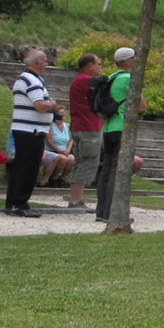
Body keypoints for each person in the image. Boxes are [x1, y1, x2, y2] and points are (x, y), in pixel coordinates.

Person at [95, 47, 146, 223]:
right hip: (122, 127)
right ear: (127, 61)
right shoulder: (128, 78)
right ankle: (112, 212)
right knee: (117, 170)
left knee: (107, 170)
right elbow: (141, 106)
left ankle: (101, 211)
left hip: (108, 128)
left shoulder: (111, 77)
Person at [6, 49, 58, 217]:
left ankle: (14, 202)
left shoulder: (28, 79)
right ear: (36, 62)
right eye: (44, 61)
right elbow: (40, 105)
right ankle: (18, 203)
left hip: (28, 129)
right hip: (31, 131)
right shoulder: (31, 79)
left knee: (22, 166)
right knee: (28, 168)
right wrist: (52, 104)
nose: (46, 64)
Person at [65, 52, 103, 210]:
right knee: (87, 163)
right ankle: (76, 200)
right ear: (90, 65)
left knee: (80, 162)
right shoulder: (86, 81)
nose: (100, 67)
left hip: (80, 126)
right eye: (98, 64)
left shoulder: (78, 80)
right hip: (88, 128)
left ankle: (76, 198)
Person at [41, 110, 75, 186]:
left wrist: (68, 149)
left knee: (71, 160)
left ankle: (61, 178)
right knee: (62, 159)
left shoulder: (68, 126)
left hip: (65, 150)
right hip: (53, 149)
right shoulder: (50, 126)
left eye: (63, 113)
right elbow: (49, 140)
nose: (63, 115)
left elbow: (71, 140)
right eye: (61, 113)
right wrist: (59, 150)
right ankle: (52, 178)